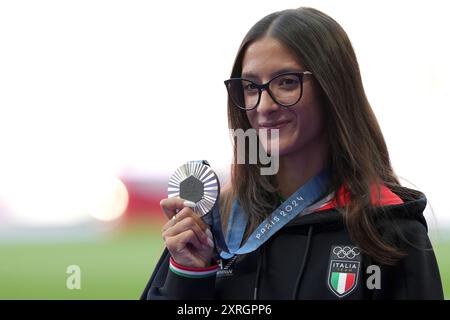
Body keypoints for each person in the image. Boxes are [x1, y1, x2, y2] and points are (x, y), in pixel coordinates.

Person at [141, 7, 444, 300]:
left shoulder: (387, 227)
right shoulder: (214, 225)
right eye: (250, 86)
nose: (263, 106)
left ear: (333, 87)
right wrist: (188, 277)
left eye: (286, 82)